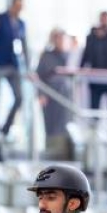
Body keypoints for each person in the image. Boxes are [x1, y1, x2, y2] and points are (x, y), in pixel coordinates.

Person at [0, 0, 28, 137]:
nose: (18, 9)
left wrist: (27, 68)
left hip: (12, 65)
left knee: (19, 97)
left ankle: (6, 128)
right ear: (11, 6)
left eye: (21, 7)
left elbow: (25, 46)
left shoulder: (21, 24)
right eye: (16, 6)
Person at [36, 28, 72, 156]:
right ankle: (51, 151)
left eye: (62, 38)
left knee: (65, 123)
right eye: (57, 38)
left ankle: (63, 151)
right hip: (50, 95)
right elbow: (39, 75)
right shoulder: (46, 56)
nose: (60, 41)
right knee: (51, 124)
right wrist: (40, 94)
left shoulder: (70, 55)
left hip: (66, 96)